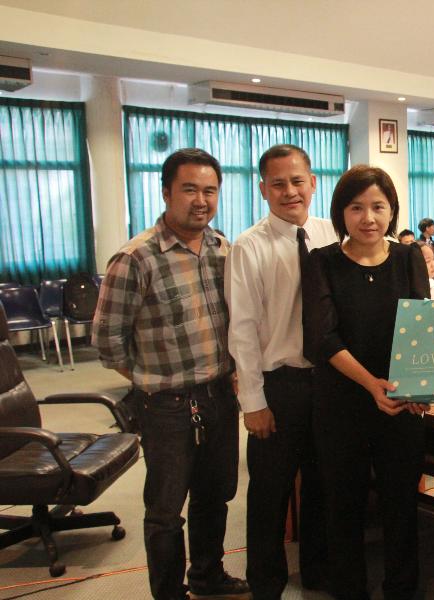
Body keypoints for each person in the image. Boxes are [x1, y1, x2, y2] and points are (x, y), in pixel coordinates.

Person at [92, 148, 249, 600]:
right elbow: (107, 342)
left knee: (214, 495)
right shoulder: (135, 258)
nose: (201, 200)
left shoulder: (223, 250)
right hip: (166, 406)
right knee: (165, 510)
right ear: (166, 192)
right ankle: (168, 592)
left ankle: (207, 576)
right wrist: (151, 379)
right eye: (189, 190)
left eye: (210, 191)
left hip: (220, 395)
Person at [302, 165, 430, 600]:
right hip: (342, 403)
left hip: (401, 402)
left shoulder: (409, 258)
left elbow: (422, 328)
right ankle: (349, 590)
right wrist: (371, 384)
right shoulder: (322, 261)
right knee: (344, 507)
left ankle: (402, 590)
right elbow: (322, 338)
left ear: (392, 211)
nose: (368, 218)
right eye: (356, 208)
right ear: (341, 212)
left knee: (401, 505)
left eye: (378, 206)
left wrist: (420, 383)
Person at [225, 144, 335, 599]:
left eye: (297, 181)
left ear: (313, 183)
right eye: (278, 184)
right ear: (262, 189)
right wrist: (253, 402)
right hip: (280, 385)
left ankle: (318, 572)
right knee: (269, 491)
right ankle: (266, 583)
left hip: (329, 382)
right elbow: (242, 331)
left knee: (322, 484)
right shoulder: (248, 246)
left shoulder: (332, 233)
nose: (289, 191)